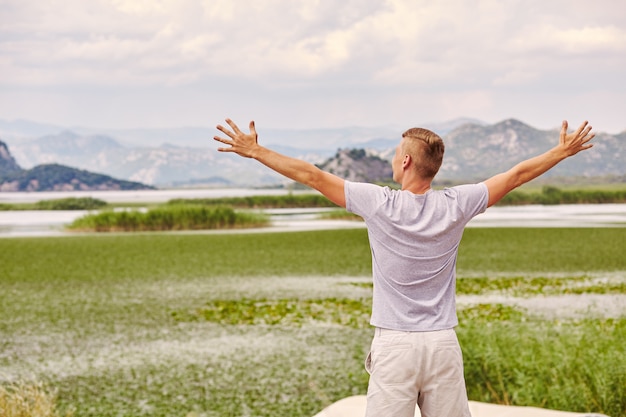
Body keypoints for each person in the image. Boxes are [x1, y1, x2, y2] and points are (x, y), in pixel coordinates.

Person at [213, 118, 595, 417]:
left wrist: (256, 151)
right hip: (442, 343)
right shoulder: (457, 204)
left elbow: (310, 175)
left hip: (395, 344)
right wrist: (560, 152)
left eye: (397, 152)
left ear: (407, 161)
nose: (394, 158)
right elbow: (516, 176)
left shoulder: (378, 202)